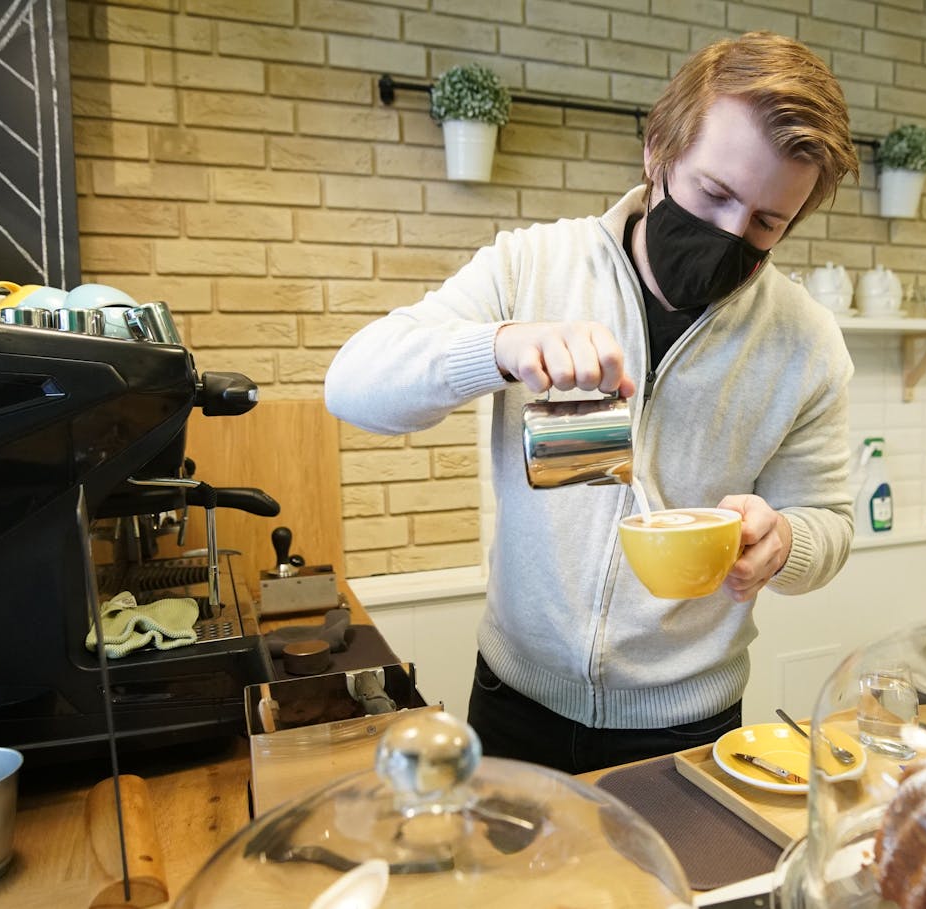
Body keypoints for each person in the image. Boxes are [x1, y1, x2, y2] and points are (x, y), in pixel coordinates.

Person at [325, 31, 858, 774]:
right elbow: (353, 384)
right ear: (657, 151)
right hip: (516, 705)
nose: (731, 234)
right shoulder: (532, 267)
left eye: (767, 223)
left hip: (689, 729)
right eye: (714, 194)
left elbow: (829, 522)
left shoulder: (806, 342)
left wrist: (784, 544)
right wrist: (502, 346)